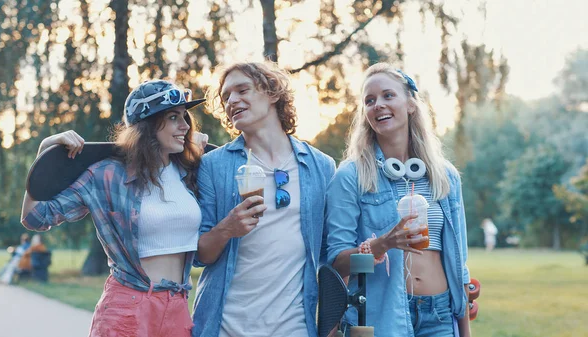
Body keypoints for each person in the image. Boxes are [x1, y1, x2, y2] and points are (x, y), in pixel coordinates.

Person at [21, 79, 207, 337]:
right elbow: (35, 217)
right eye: (174, 117)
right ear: (148, 126)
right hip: (127, 308)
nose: (185, 126)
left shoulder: (190, 173)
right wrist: (45, 152)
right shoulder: (107, 174)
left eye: (185, 117)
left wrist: (203, 158)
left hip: (177, 306)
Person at [325, 63, 471, 337]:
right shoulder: (350, 176)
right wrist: (382, 245)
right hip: (381, 318)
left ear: (411, 104)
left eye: (388, 96)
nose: (378, 105)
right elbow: (337, 264)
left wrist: (465, 332)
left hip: (439, 314)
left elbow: (459, 262)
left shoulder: (445, 176)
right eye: (369, 101)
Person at [192, 62, 336, 337]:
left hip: (294, 328)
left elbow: (329, 256)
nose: (232, 100)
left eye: (242, 90)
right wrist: (227, 229)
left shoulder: (321, 167)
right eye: (226, 97)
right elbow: (200, 255)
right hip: (225, 327)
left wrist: (332, 323)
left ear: (272, 93)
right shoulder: (213, 166)